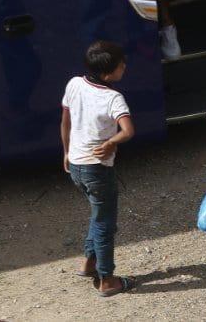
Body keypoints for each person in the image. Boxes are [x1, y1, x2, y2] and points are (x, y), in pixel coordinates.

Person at [61, 40, 135, 297]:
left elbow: (66, 121)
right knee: (105, 223)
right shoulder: (113, 97)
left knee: (98, 214)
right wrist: (111, 142)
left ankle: (88, 263)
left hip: (77, 166)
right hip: (97, 170)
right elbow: (128, 131)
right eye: (121, 64)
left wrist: (66, 152)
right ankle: (107, 280)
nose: (124, 66)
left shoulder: (74, 84)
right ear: (108, 73)